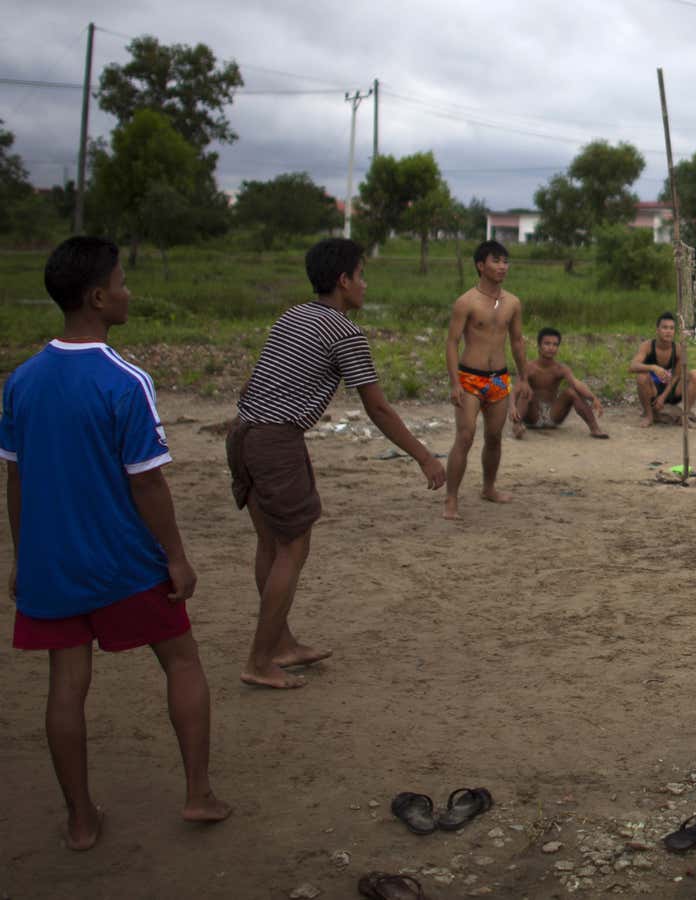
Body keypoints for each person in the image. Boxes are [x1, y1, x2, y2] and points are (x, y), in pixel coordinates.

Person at [3, 236, 231, 850]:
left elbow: (16, 479)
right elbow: (148, 483)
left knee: (65, 687)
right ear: (99, 297)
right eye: (123, 282)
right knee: (182, 660)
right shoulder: (125, 381)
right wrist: (176, 556)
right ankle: (198, 793)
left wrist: (25, 558)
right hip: (124, 562)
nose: (130, 291)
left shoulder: (21, 381)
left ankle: (80, 819)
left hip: (52, 565)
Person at [228, 238, 445, 690]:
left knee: (270, 544)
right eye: (362, 275)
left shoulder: (294, 315)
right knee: (293, 548)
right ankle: (259, 658)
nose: (366, 285)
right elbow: (378, 409)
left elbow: (253, 383)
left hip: (244, 432)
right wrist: (424, 455)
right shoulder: (345, 332)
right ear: (344, 281)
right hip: (276, 440)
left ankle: (281, 643)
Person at [445, 240, 532, 519]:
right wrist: (454, 382)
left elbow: (517, 342)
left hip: (498, 379)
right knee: (465, 435)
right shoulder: (466, 301)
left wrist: (524, 378)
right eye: (496, 261)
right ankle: (451, 499)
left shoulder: (513, 303)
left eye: (505, 261)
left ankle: (488, 488)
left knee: (494, 437)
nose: (502, 267)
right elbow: (452, 342)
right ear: (481, 265)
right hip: (470, 377)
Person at [512, 327, 608, 439]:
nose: (551, 348)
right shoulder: (528, 368)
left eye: (555, 344)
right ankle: (517, 427)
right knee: (526, 390)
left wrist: (593, 398)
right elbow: (515, 389)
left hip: (553, 414)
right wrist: (512, 407)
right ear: (539, 346)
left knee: (571, 392)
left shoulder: (560, 368)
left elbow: (576, 383)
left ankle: (595, 428)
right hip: (532, 415)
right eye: (547, 344)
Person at [628, 312, 696, 428]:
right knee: (641, 376)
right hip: (653, 390)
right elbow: (632, 366)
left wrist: (663, 397)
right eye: (665, 328)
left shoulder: (679, 349)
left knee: (695, 374)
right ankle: (649, 415)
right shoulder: (647, 346)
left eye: (672, 328)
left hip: (672, 389)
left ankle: (684, 416)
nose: (668, 331)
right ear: (657, 330)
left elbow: (677, 376)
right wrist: (653, 367)